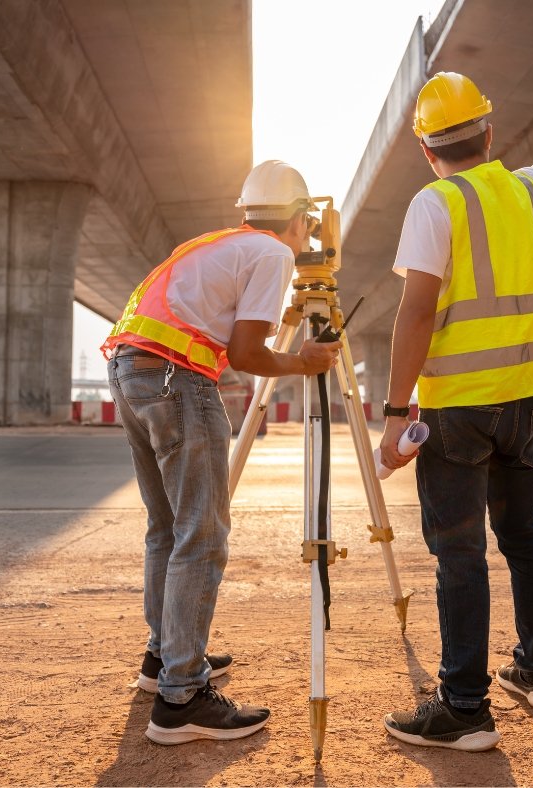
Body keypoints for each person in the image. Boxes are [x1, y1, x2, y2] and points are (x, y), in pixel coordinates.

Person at [377, 72, 533, 752]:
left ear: (424, 147)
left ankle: (464, 707)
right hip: (526, 402)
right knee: (524, 535)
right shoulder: (527, 189)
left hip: (457, 411)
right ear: (489, 133)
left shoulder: (435, 201)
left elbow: (415, 313)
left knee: (459, 551)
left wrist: (391, 415)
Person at [102, 160, 342, 746]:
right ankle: (181, 699)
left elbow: (231, 324)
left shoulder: (218, 244)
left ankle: (164, 659)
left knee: (168, 530)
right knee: (201, 536)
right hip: (177, 382)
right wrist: (302, 361)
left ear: (246, 211)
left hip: (131, 374)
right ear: (300, 218)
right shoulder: (273, 253)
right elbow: (246, 353)